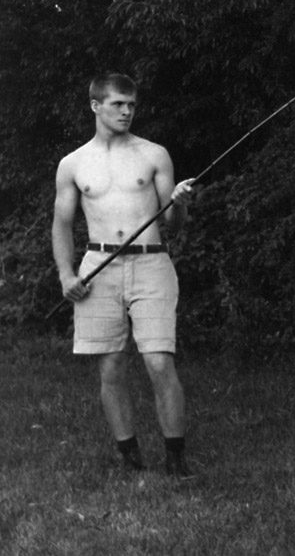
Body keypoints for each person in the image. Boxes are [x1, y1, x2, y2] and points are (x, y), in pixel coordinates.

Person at [51, 72, 196, 478]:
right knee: (111, 365)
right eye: (118, 104)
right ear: (96, 106)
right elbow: (61, 225)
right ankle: (129, 454)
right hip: (98, 267)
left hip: (152, 264)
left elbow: (173, 223)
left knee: (158, 362)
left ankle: (176, 457)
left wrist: (180, 203)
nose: (127, 111)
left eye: (131, 105)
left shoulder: (154, 155)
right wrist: (65, 274)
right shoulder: (73, 163)